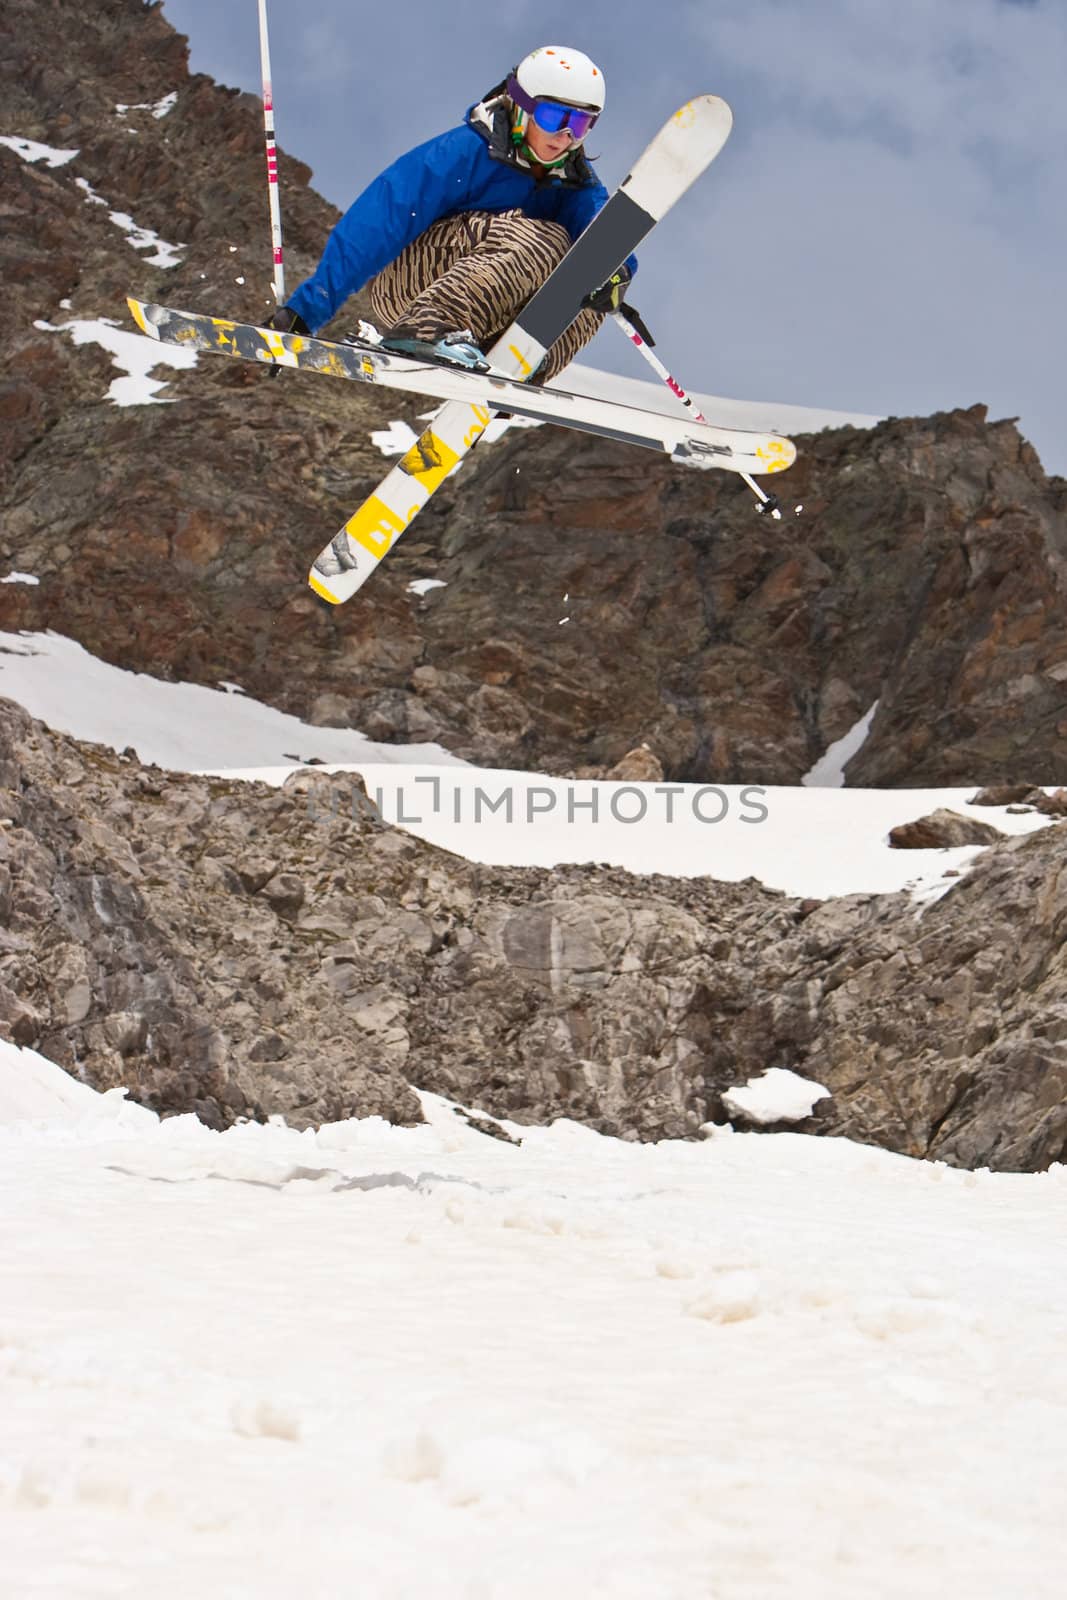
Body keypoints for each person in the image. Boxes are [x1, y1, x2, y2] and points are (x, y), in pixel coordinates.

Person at [268, 46, 635, 379]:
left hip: (488, 305)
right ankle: (428, 329)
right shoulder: (466, 152)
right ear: (520, 106)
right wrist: (306, 310)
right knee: (544, 238)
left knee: (591, 277)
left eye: (581, 124)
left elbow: (603, 229)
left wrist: (617, 269)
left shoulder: (574, 181)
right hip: (412, 285)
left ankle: (523, 364)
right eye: (555, 118)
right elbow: (382, 220)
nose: (566, 136)